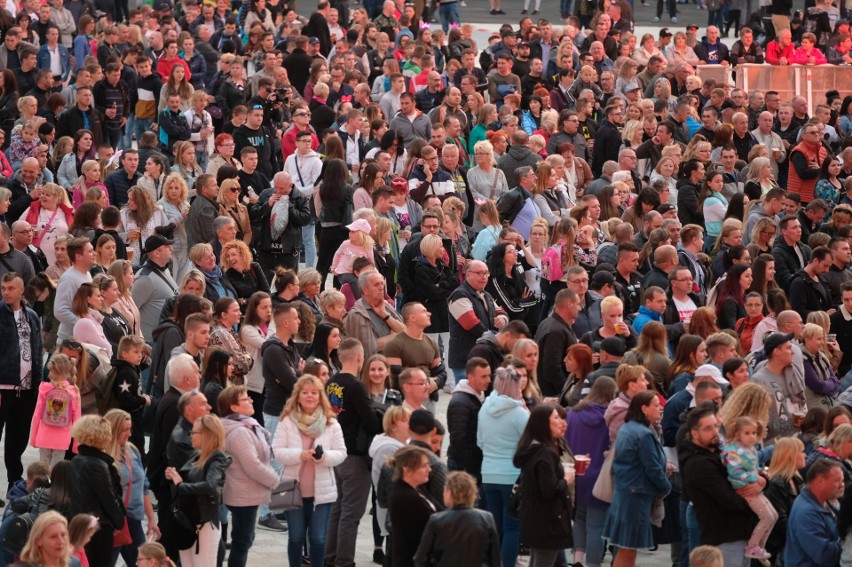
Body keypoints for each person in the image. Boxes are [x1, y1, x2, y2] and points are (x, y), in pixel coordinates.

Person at [273, 374, 347, 567]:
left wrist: (324, 458)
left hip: (321, 494)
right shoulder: (287, 421)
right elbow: (277, 451)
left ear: (320, 396)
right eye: (305, 392)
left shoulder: (331, 423)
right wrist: (299, 454)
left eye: (314, 393)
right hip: (293, 491)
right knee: (296, 538)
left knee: (318, 539)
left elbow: (341, 453)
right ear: (297, 396)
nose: (309, 396)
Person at [325, 338, 382, 567]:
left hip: (336, 451)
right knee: (351, 513)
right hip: (355, 455)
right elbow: (370, 422)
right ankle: (344, 561)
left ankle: (330, 557)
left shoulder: (331, 382)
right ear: (360, 358)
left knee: (337, 510)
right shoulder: (356, 386)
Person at [602, 390, 671, 567]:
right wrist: (666, 486)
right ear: (644, 409)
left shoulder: (629, 427)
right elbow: (653, 467)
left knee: (626, 547)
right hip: (635, 495)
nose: (660, 408)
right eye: (656, 405)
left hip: (627, 492)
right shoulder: (643, 433)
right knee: (628, 547)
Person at [680, 405, 756, 565]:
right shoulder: (698, 464)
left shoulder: (716, 453)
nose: (715, 432)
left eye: (715, 426)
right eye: (708, 428)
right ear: (695, 433)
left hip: (739, 532)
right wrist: (753, 500)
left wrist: (761, 481)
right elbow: (728, 499)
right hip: (724, 537)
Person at [477, 366, 529, 567]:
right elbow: (530, 444)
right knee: (511, 528)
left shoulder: (485, 408)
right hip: (512, 476)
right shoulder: (519, 413)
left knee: (495, 525)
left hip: (488, 472)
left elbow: (480, 441)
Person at [165, 414, 232, 567]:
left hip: (204, 521)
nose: (190, 435)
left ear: (207, 434)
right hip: (187, 521)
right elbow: (184, 480)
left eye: (194, 432)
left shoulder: (218, 457)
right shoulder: (197, 455)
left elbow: (210, 486)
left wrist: (180, 485)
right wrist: (173, 476)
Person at [513, 403, 574, 566]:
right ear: (543, 423)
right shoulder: (545, 453)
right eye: (555, 418)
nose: (560, 422)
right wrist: (566, 479)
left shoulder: (534, 448)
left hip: (536, 517)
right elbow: (549, 490)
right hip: (547, 520)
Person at [0, 272, 42, 488]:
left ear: (21, 290)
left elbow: (38, 351)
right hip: (2, 387)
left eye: (10, 288)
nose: (6, 292)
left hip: (26, 389)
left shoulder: (32, 316)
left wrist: (38, 384)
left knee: (18, 440)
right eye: (3, 288)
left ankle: (14, 484)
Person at [103, 408, 160, 567]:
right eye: (124, 430)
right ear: (113, 430)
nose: (129, 433)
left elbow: (144, 487)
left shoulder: (132, 451)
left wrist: (151, 520)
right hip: (115, 522)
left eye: (130, 429)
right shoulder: (105, 457)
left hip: (134, 520)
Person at [68, 414, 125, 567]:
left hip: (79, 524)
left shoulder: (76, 460)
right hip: (97, 528)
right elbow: (109, 498)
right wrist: (119, 522)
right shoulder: (97, 465)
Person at [722, 416, 779, 561]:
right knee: (766, 516)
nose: (752, 436)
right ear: (737, 434)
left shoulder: (751, 449)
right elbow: (735, 472)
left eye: (754, 433)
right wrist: (756, 477)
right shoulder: (732, 451)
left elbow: (754, 466)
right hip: (744, 488)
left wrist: (761, 472)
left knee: (774, 515)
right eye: (747, 433)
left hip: (753, 486)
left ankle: (760, 545)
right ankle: (752, 546)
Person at [388, 445, 440, 567]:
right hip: (411, 560)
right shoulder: (405, 496)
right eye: (424, 465)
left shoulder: (415, 489)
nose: (429, 469)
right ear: (407, 470)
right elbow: (429, 528)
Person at [785, 459, 844, 566]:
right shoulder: (806, 513)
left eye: (842, 481)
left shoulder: (823, 500)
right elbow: (824, 555)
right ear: (820, 481)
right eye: (837, 481)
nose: (841, 485)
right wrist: (846, 543)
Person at [30, 353, 80, 468]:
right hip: (62, 438)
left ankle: (43, 486)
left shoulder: (44, 388)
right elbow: (77, 418)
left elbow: (37, 414)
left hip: (44, 436)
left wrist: (34, 438)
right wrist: (76, 445)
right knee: (55, 472)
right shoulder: (73, 391)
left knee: (43, 470)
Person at [764, 437, 806, 563]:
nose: (805, 455)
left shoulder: (797, 480)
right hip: (777, 549)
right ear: (790, 456)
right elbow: (780, 520)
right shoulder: (776, 484)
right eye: (801, 451)